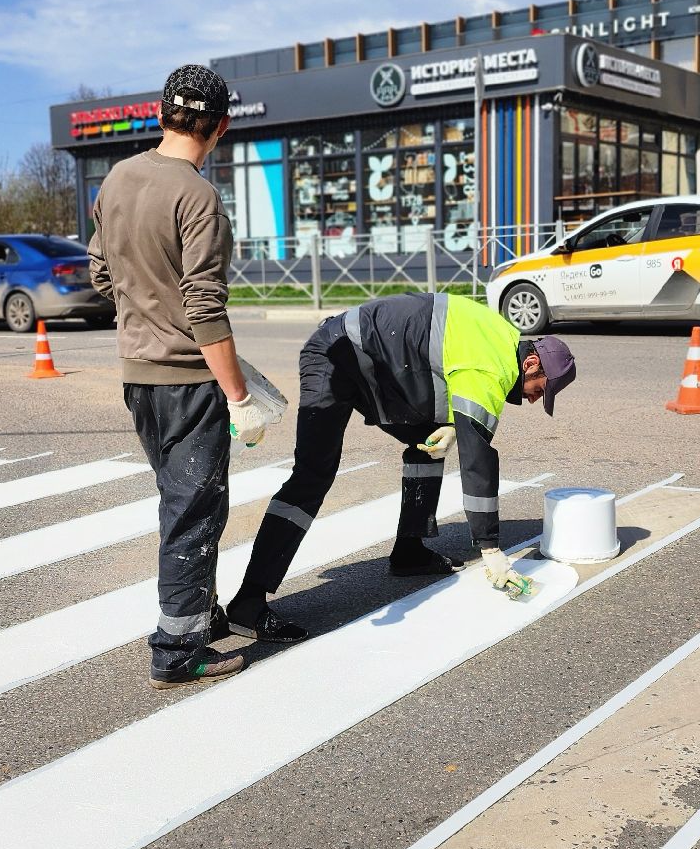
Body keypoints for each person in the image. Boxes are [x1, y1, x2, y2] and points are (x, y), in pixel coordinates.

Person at [88, 63, 300, 691]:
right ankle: (177, 649)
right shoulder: (197, 197)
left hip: (139, 377)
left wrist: (146, 311)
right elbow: (205, 308)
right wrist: (239, 396)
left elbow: (101, 273)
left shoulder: (117, 179)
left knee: (181, 498)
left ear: (161, 115)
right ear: (222, 127)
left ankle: (199, 614)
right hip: (188, 379)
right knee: (194, 510)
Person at [223, 292, 578, 637]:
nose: (535, 399)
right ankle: (248, 602)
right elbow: (477, 460)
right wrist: (490, 547)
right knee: (312, 475)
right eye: (540, 389)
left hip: (376, 363)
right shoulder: (493, 365)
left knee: (426, 442)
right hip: (336, 354)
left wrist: (453, 427)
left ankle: (410, 551)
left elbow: (451, 374)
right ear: (531, 364)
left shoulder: (500, 342)